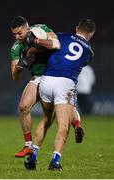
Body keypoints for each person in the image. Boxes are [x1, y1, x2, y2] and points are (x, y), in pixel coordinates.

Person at [24, 19, 96, 171]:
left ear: (77, 28)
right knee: (63, 126)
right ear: (91, 34)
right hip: (65, 83)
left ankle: (33, 157)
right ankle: (55, 162)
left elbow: (50, 44)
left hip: (46, 80)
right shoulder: (89, 51)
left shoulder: (61, 36)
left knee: (46, 119)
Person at [10, 16, 83, 158]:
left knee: (54, 113)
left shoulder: (41, 29)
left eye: (19, 33)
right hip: (37, 77)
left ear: (27, 28)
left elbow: (56, 44)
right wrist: (22, 64)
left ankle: (77, 124)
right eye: (14, 34)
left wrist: (36, 44)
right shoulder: (16, 47)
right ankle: (28, 145)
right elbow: (15, 76)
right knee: (23, 106)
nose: (17, 37)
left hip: (54, 75)